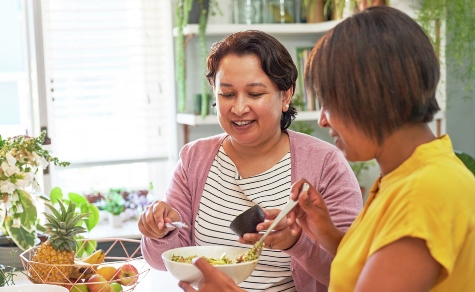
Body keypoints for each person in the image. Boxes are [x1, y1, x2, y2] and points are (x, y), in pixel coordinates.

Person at [178, 5, 475, 292]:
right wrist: (323, 234)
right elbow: (367, 268)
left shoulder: (428, 192)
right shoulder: (411, 175)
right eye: (228, 94)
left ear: (374, 98)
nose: (325, 120)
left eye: (330, 102)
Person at [139, 30, 363, 291]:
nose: (239, 108)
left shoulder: (325, 163)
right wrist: (160, 231)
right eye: (227, 94)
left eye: (255, 94)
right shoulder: (194, 158)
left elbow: (354, 273)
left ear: (286, 95)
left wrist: (297, 243)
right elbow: (161, 261)